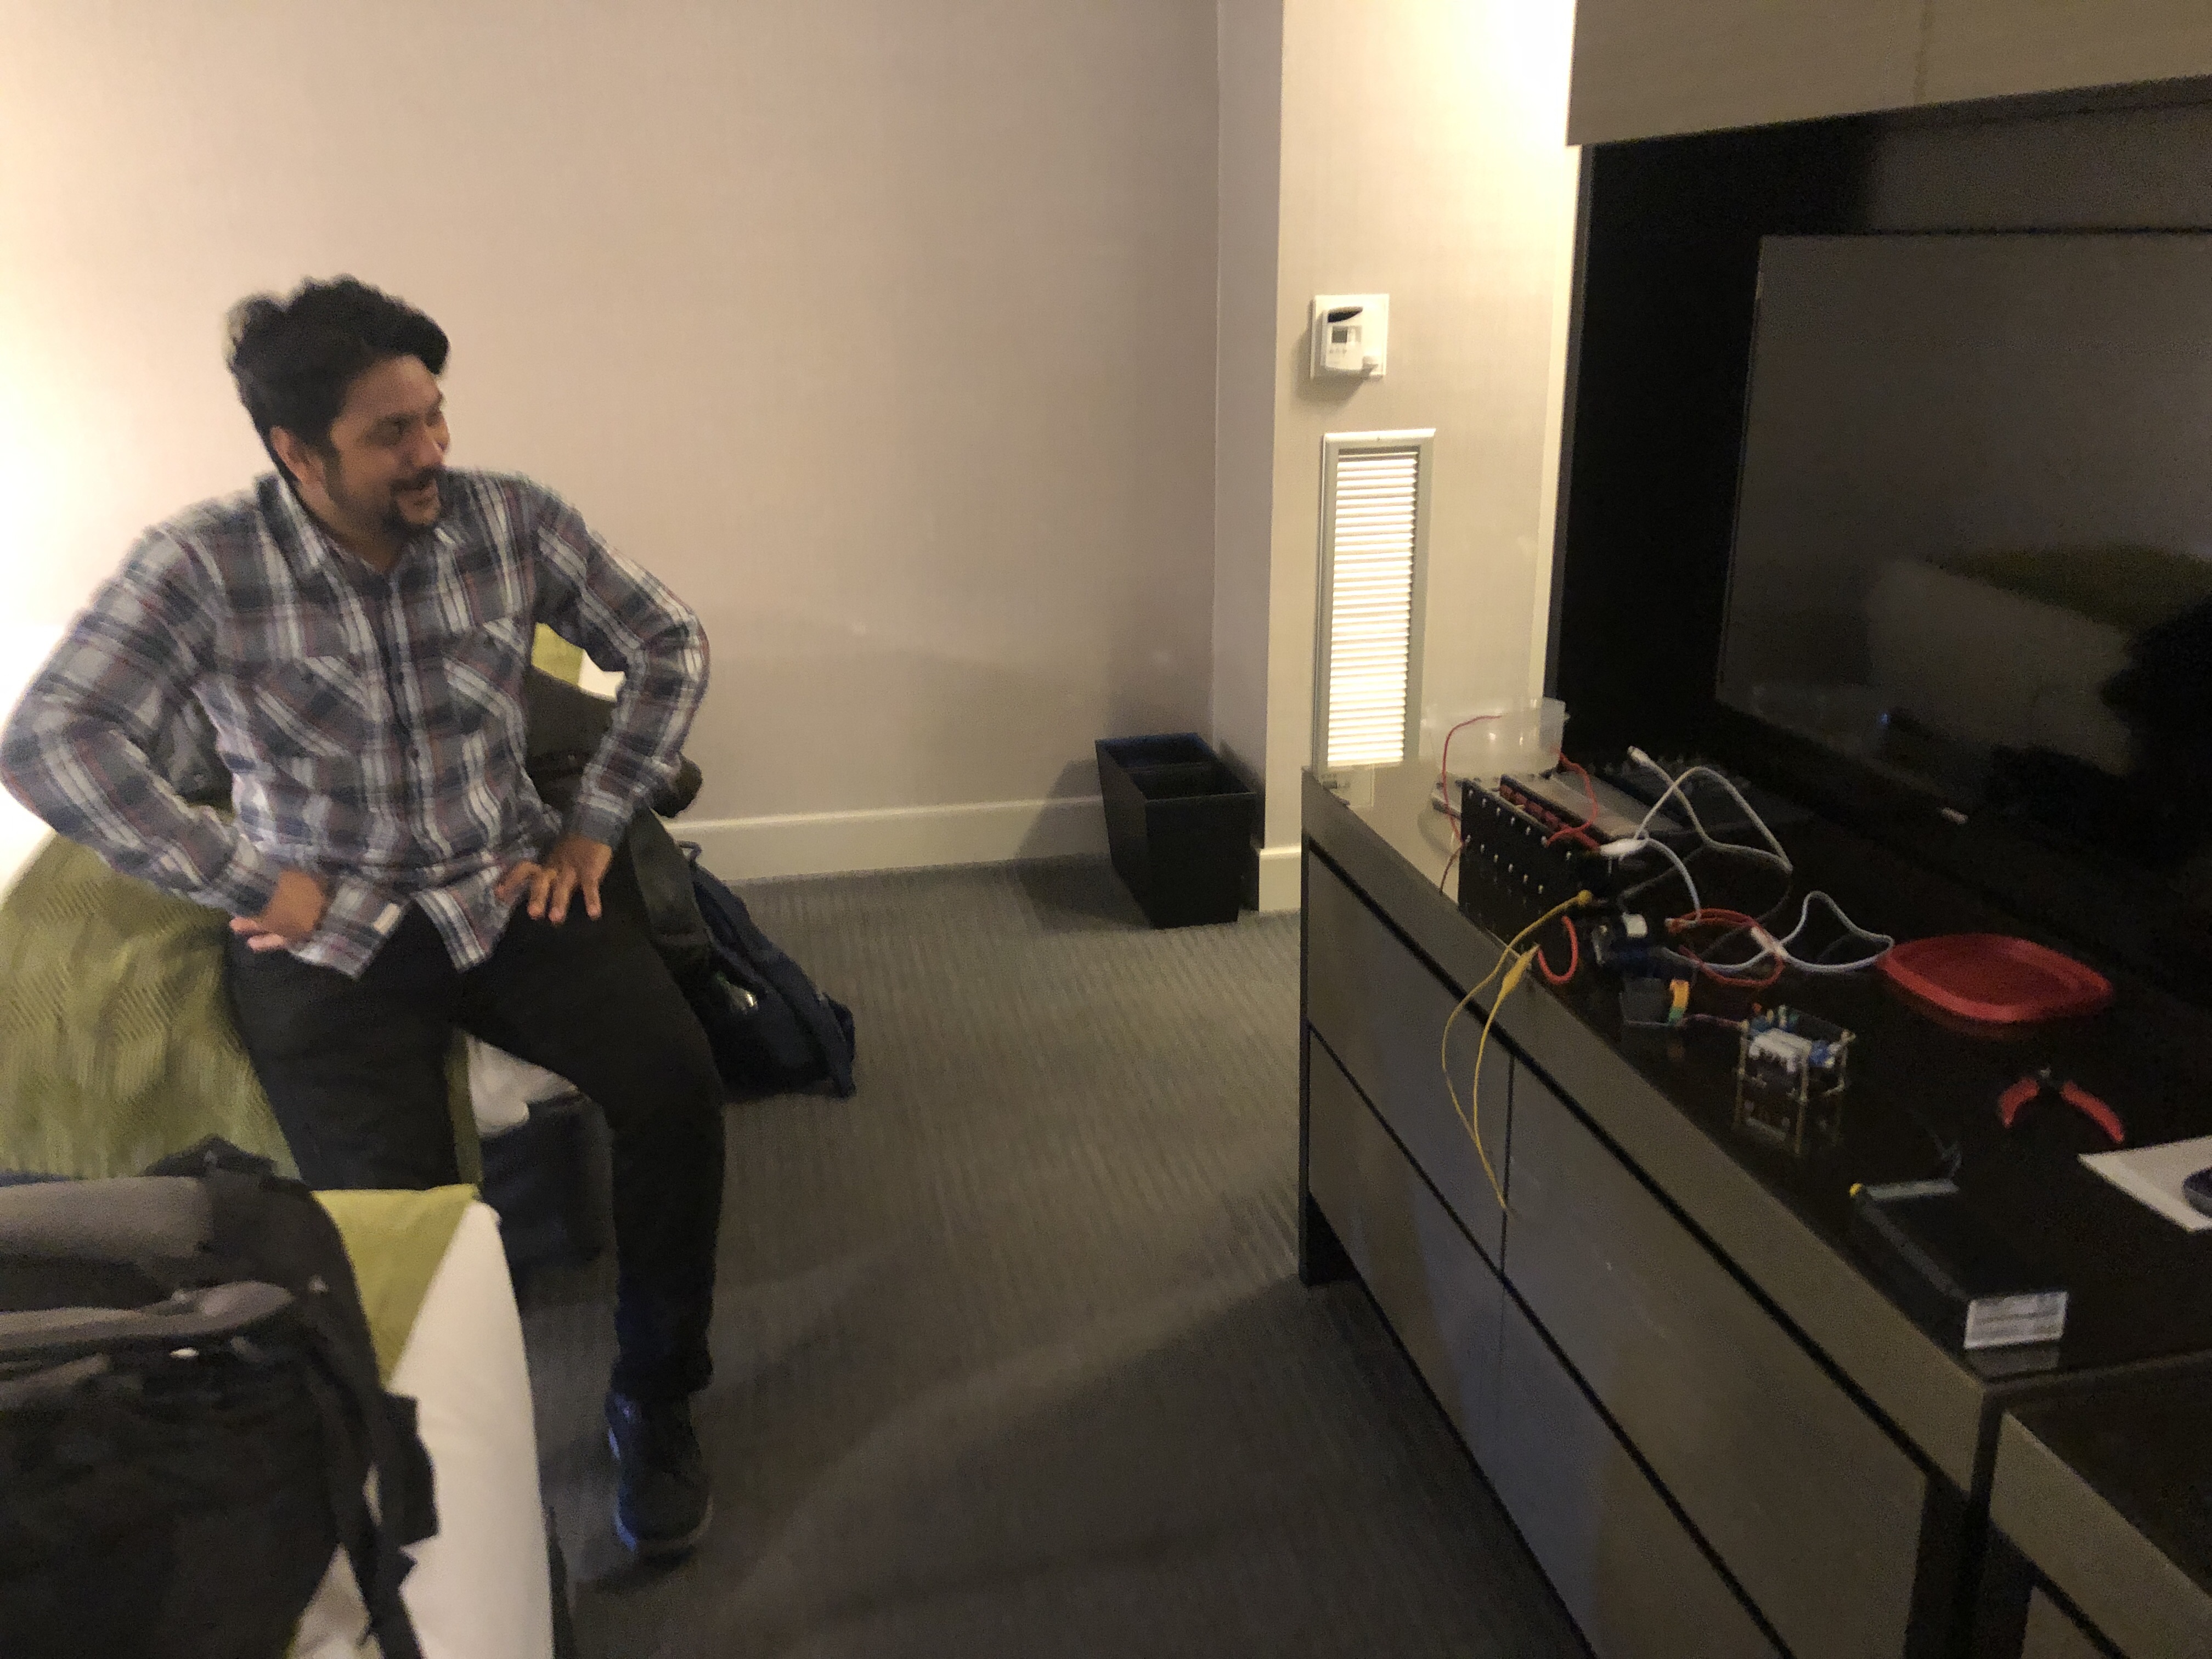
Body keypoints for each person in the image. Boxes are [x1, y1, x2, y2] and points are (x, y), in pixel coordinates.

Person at [0, 277, 724, 1559]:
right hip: (325, 935)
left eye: (435, 414)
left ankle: (656, 1396)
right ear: (300, 453)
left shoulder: (510, 520)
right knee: (400, 1229)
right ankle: (444, 1460)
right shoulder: (201, 563)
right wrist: (240, 878)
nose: (432, 447)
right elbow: (51, 741)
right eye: (393, 433)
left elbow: (666, 641)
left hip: (506, 888)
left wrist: (597, 823)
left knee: (677, 1088)